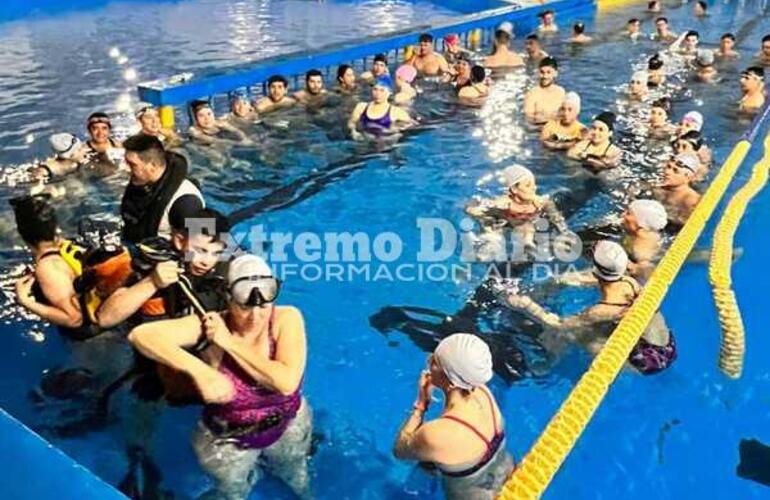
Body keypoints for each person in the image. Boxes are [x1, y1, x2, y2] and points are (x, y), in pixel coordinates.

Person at [128, 254, 312, 500]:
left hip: (288, 422)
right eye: (245, 307)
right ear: (228, 297)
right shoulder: (209, 326)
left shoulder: (286, 318)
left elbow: (286, 383)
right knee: (233, 493)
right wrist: (200, 371)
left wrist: (229, 342)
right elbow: (141, 336)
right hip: (228, 440)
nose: (256, 316)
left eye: (263, 306)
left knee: (299, 479)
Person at [502, 241, 676, 375]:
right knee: (602, 325)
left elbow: (562, 324)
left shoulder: (599, 310)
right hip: (667, 346)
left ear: (595, 270)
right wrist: (561, 279)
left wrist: (526, 305)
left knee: (574, 333)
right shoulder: (629, 282)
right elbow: (598, 279)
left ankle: (547, 363)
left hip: (646, 364)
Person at [393, 333, 513, 500]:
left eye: (435, 361)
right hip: (508, 473)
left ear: (450, 380)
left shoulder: (436, 434)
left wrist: (421, 404)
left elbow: (399, 451)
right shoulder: (483, 392)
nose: (428, 361)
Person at [97, 206, 230, 329]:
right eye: (200, 251)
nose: (207, 262)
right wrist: (152, 282)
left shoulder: (222, 270)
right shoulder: (155, 264)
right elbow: (105, 319)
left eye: (216, 253)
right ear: (179, 241)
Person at [12, 195, 83, 332]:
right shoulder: (65, 247)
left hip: (94, 343)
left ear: (22, 234)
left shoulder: (48, 268)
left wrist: (25, 301)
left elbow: (74, 319)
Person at [120, 134, 204, 244]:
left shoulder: (186, 201)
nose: (125, 169)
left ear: (153, 165)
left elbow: (206, 246)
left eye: (132, 164)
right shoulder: (141, 183)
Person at [465, 165, 569, 252]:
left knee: (527, 226)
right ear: (514, 189)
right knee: (490, 223)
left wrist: (565, 232)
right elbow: (473, 206)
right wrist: (474, 210)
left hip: (526, 225)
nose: (534, 188)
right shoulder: (503, 203)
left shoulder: (542, 202)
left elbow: (557, 219)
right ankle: (489, 242)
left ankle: (528, 245)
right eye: (528, 185)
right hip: (505, 222)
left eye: (534, 184)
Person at [348, 76, 413, 140]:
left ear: (389, 93)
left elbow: (411, 126)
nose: (378, 93)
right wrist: (353, 132)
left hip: (386, 144)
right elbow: (351, 123)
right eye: (375, 89)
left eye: (382, 90)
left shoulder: (396, 112)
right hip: (365, 142)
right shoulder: (361, 107)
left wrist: (396, 133)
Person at [622, 199, 668, 281]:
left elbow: (648, 275)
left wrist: (633, 268)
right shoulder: (652, 232)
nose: (623, 215)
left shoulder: (641, 252)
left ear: (641, 224)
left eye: (628, 213)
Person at [655, 152, 702, 226]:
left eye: (675, 170)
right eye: (668, 166)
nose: (667, 172)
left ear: (688, 178)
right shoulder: (657, 188)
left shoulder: (691, 201)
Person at [523, 57, 566, 125]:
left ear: (555, 73)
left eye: (548, 72)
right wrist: (552, 118)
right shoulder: (532, 93)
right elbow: (528, 119)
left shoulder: (560, 91)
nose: (545, 76)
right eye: (542, 72)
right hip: (538, 130)